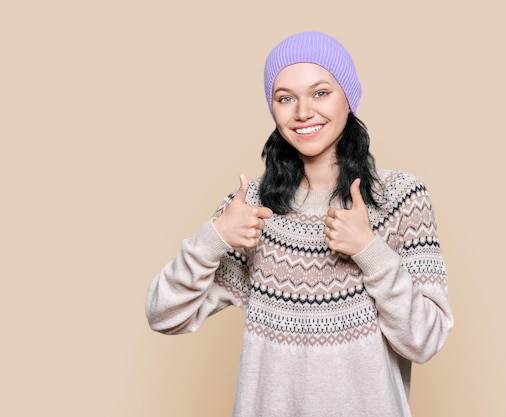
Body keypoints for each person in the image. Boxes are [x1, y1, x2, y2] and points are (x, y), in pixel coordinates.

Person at [146, 31, 454, 417]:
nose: (303, 112)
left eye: (320, 93)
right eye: (285, 98)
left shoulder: (399, 197)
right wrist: (214, 238)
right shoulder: (252, 208)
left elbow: (425, 340)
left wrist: (369, 250)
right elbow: (162, 314)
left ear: (349, 98)